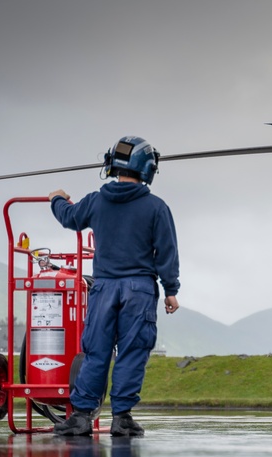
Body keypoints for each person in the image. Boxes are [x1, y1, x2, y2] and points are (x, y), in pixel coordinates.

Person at [49, 136, 180, 437]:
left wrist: (56, 198)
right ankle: (121, 418)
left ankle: (81, 415)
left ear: (113, 166)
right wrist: (171, 289)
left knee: (97, 352)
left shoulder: (96, 201)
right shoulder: (157, 208)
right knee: (133, 352)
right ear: (147, 169)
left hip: (105, 288)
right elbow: (167, 251)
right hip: (139, 290)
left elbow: (69, 217)